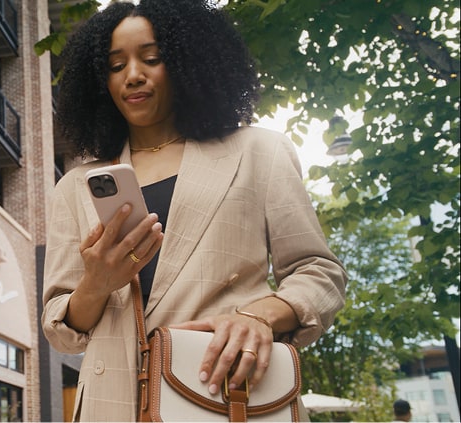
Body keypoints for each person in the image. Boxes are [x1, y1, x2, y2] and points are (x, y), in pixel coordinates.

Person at [41, 0, 348, 421]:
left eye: (152, 58)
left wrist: (258, 316)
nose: (133, 75)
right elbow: (61, 330)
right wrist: (96, 283)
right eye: (115, 66)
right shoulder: (75, 187)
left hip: (221, 394)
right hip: (109, 405)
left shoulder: (259, 152)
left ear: (188, 62)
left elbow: (319, 272)